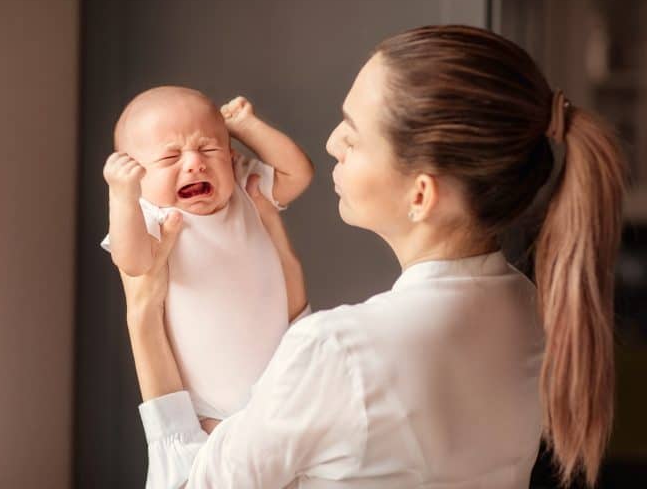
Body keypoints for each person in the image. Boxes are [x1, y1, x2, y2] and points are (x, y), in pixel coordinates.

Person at [116, 25, 625, 488]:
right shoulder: (529, 307)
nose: (333, 143)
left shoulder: (338, 353)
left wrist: (142, 316)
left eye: (353, 135)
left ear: (421, 195)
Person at [101, 87, 313, 423]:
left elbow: (298, 174)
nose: (195, 163)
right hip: (207, 409)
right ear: (138, 177)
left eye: (208, 148)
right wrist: (123, 198)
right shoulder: (151, 216)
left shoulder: (244, 188)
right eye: (171, 158)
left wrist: (248, 127)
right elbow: (132, 261)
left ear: (230, 155)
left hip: (284, 385)